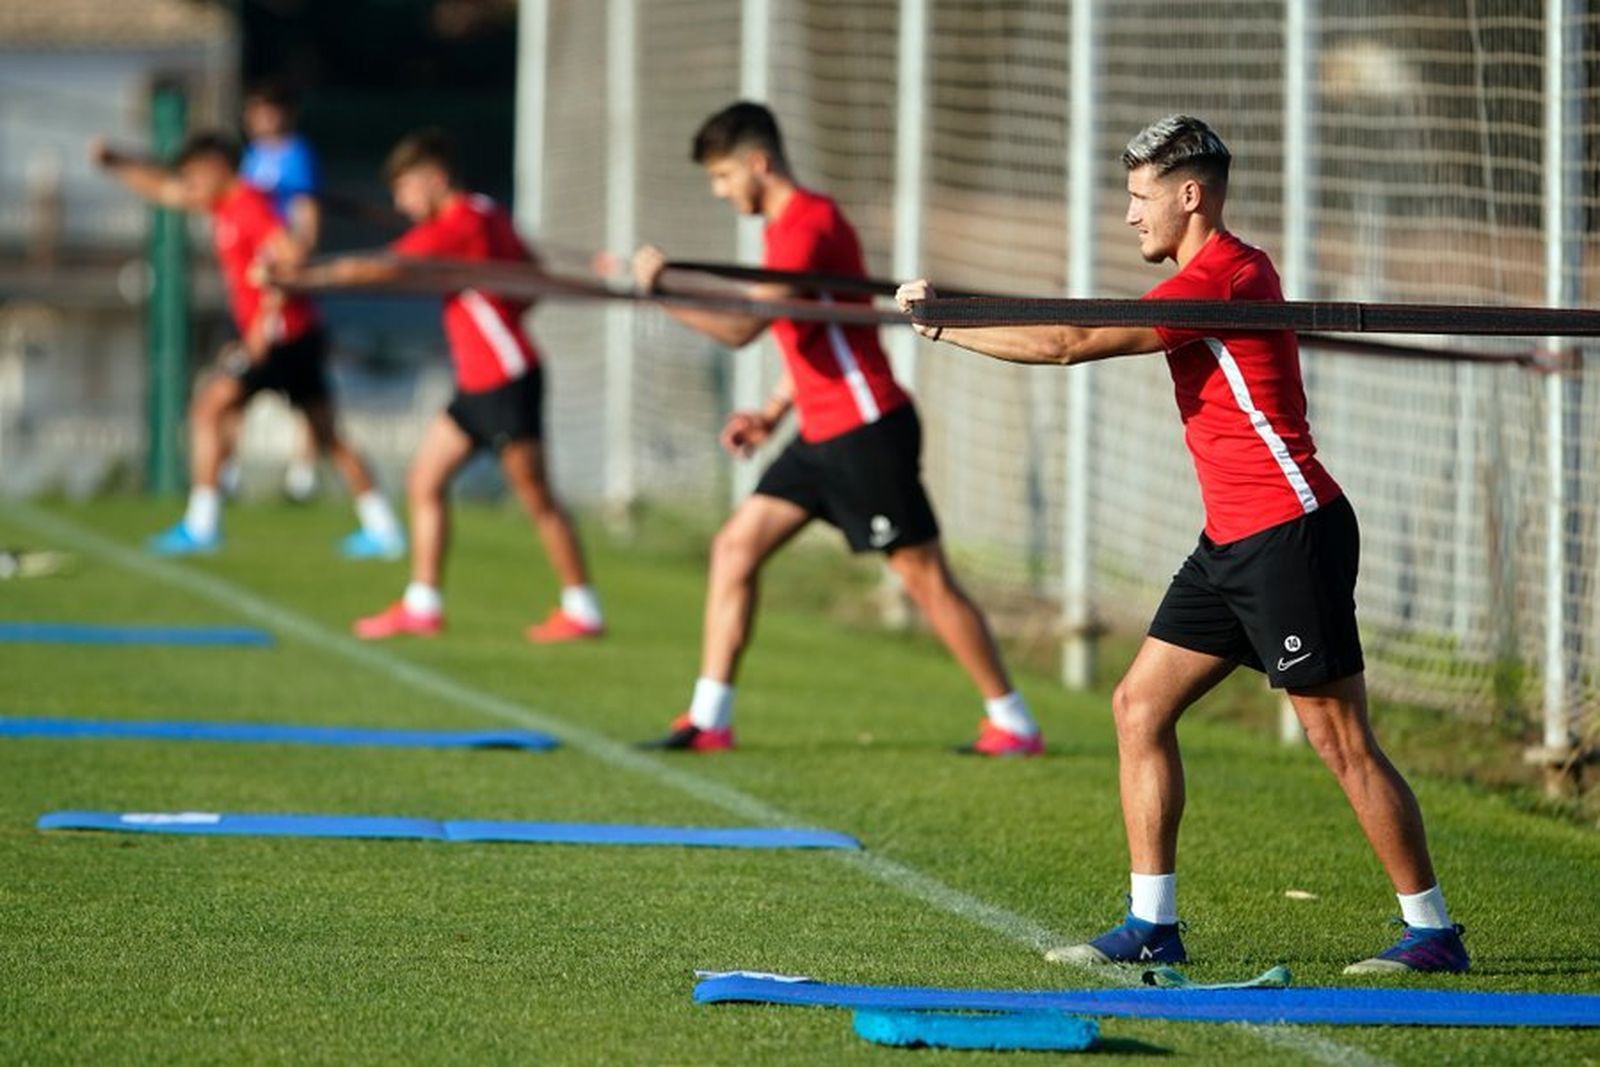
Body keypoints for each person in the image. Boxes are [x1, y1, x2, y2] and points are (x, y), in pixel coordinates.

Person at [896, 115, 1466, 973]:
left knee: (1340, 738)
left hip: (1287, 531)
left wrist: (944, 324)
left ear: (1189, 195)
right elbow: (1065, 325)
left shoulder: (1228, 277)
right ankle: (1151, 923)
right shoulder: (1206, 278)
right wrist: (961, 308)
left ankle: (1433, 933)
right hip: (1232, 539)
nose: (1130, 216)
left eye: (1139, 196)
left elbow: (1065, 343)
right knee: (1138, 707)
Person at [630, 102, 1040, 756]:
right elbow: (818, 337)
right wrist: (770, 412)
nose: (720, 190)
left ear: (758, 164)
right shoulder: (786, 230)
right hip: (821, 433)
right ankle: (710, 719)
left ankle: (1013, 721)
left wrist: (662, 287)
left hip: (865, 430)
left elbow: (743, 328)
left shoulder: (806, 226)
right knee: (735, 548)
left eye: (722, 176)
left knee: (924, 578)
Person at [275, 129, 603, 644]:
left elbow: (382, 268)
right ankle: (423, 603)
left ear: (435, 178)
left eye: (407, 189)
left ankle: (582, 608)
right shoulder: (487, 212)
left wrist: (303, 278)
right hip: (479, 380)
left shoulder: (462, 223)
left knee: (536, 497)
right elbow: (531, 276)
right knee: (425, 479)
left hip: (504, 378)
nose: (403, 204)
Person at [92, 131, 404, 559]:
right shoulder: (223, 204)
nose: (191, 185)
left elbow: (289, 257)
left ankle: (202, 526)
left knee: (208, 409)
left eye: (196, 175)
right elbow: (166, 190)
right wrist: (117, 163)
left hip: (280, 338)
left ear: (218, 167)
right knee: (324, 434)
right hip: (293, 336)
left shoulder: (250, 206)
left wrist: (261, 326)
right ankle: (382, 525)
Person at [237, 79, 324, 503]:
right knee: (238, 379)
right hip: (252, 279)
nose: (266, 117)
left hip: (279, 281)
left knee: (304, 390)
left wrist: (294, 264)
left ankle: (304, 469)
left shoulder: (297, 154)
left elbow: (305, 216)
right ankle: (226, 468)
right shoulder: (249, 158)